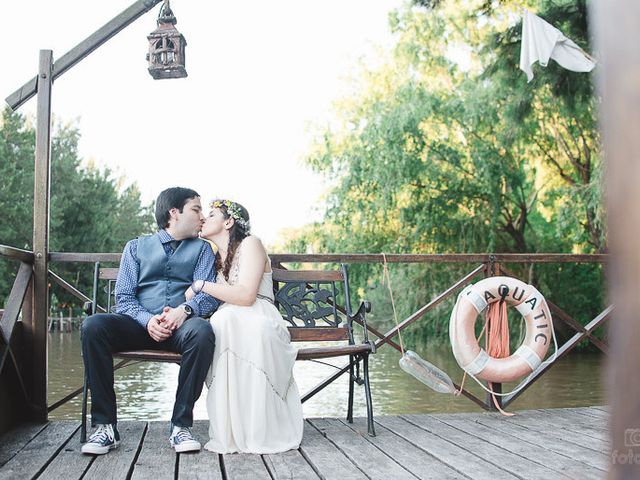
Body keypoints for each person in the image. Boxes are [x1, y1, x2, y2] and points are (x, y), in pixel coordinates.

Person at [81, 187, 220, 455]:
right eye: (196, 209)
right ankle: (105, 426)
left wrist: (185, 311)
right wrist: (147, 320)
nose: (202, 216)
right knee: (93, 326)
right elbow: (124, 297)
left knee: (203, 331)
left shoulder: (204, 250)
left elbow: (208, 296)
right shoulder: (135, 247)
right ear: (174, 213)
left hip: (182, 329)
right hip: (138, 325)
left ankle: (180, 425)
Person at [187, 199, 303, 454]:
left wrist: (200, 285)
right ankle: (231, 433)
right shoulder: (215, 257)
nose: (204, 218)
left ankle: (260, 431)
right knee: (220, 321)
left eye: (212, 214)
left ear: (229, 222)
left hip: (260, 315)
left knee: (228, 321)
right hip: (231, 319)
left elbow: (247, 295)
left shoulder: (251, 244)